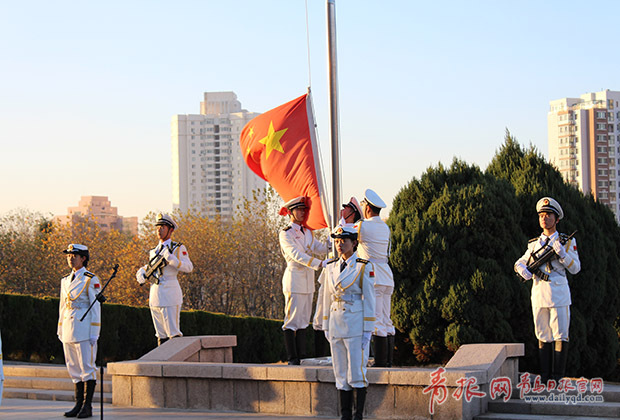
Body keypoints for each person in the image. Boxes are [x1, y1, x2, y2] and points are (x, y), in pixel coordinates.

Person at [514, 197, 580, 383]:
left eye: (548, 215)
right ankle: (545, 377)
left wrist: (563, 255)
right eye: (541, 215)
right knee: (542, 334)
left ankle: (557, 378)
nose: (544, 218)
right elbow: (521, 261)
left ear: (556, 219)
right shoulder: (534, 244)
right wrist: (521, 268)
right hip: (539, 293)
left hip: (558, 294)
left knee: (560, 334)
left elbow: (576, 268)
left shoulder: (567, 242)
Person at [322, 225, 375, 420]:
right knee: (340, 372)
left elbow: (370, 300)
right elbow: (326, 298)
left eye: (344, 241)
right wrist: (325, 324)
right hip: (336, 323)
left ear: (354, 243)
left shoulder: (363, 266)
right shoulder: (330, 266)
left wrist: (368, 329)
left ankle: (358, 415)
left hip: (355, 324)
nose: (339, 244)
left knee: (357, 372)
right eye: (337, 241)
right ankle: (345, 415)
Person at [279, 196, 329, 364]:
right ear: (290, 212)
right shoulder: (286, 233)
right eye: (299, 210)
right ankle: (292, 357)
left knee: (303, 320)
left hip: (307, 280)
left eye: (303, 210)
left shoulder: (307, 232)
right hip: (294, 279)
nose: (302, 213)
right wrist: (318, 263)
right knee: (292, 320)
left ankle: (302, 356)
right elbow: (295, 254)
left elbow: (319, 248)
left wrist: (331, 241)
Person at [312, 197, 363, 357]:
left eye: (346, 208)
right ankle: (320, 354)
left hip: (348, 275)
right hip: (331, 273)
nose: (342, 210)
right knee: (321, 312)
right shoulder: (337, 227)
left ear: (352, 213)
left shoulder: (355, 229)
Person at [136, 213, 193, 346]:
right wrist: (142, 272)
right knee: (160, 335)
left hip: (170, 294)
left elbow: (189, 267)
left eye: (163, 227)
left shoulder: (177, 248)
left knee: (173, 332)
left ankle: (176, 359)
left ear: (170, 230)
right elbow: (150, 267)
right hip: (155, 294)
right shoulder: (153, 251)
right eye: (158, 227)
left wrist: (173, 260)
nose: (159, 230)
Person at [58, 244, 101, 418]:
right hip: (69, 328)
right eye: (69, 255)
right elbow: (62, 306)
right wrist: (60, 328)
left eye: (74, 255)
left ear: (83, 258)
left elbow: (95, 307)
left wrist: (94, 331)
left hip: (84, 328)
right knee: (73, 367)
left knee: (87, 367)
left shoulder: (90, 279)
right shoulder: (65, 280)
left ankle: (87, 406)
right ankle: (78, 404)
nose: (70, 258)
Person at [355, 189, 395, 367]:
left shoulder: (363, 226)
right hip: (386, 274)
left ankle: (380, 362)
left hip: (374, 276)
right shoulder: (385, 227)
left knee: (377, 320)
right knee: (386, 320)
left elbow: (343, 233)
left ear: (368, 208)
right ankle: (388, 361)